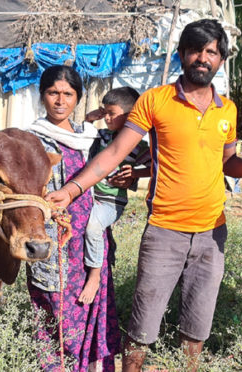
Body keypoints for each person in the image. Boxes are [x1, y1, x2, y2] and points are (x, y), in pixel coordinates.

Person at [46, 19, 242, 372]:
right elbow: (113, 154)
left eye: (211, 51)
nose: (203, 57)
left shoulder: (227, 110)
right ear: (183, 54)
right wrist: (71, 189)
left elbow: (228, 162)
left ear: (221, 59)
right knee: (142, 325)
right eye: (195, 50)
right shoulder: (156, 100)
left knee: (198, 324)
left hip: (213, 233)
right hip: (164, 231)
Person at [26, 65, 121, 371]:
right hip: (52, 236)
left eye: (68, 94)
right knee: (55, 306)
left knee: (92, 303)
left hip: (89, 235)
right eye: (53, 92)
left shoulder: (89, 137)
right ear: (42, 96)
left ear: (78, 98)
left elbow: (113, 164)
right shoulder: (31, 140)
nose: (60, 100)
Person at [78, 87, 150, 305]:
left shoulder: (139, 146)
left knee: (93, 227)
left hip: (111, 202)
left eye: (112, 113)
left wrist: (136, 172)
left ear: (130, 116)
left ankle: (94, 275)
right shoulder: (102, 136)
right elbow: (79, 141)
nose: (107, 118)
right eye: (104, 112)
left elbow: (157, 166)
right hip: (89, 195)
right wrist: (88, 120)